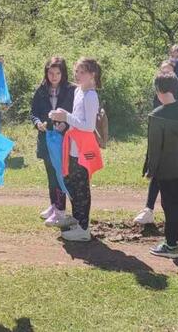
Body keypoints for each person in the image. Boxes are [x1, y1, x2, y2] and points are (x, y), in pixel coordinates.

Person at [50, 57, 103, 242]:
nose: (77, 75)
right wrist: (63, 120)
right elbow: (76, 119)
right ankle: (77, 217)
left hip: (83, 148)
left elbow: (88, 126)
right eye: (77, 71)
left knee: (81, 187)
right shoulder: (80, 91)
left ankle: (83, 228)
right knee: (71, 182)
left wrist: (66, 117)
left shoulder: (91, 96)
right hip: (73, 146)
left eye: (82, 72)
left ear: (92, 75)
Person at [143, 72, 178, 258]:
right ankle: (175, 241)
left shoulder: (157, 115)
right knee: (176, 204)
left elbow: (155, 148)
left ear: (158, 91)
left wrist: (151, 169)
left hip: (165, 168)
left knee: (168, 205)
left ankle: (171, 245)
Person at [30, 56, 76, 228]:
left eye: (57, 73)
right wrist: (37, 123)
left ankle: (61, 211)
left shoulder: (71, 90)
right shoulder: (41, 89)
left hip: (64, 139)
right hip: (46, 138)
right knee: (50, 174)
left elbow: (75, 113)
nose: (54, 76)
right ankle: (54, 205)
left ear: (63, 74)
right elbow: (33, 112)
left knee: (61, 173)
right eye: (50, 73)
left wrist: (66, 124)